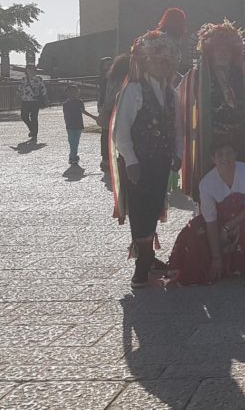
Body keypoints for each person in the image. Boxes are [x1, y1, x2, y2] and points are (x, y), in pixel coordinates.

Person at [110, 23, 182, 288]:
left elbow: (178, 128)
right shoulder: (134, 90)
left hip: (161, 159)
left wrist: (178, 153)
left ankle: (149, 257)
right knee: (140, 209)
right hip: (139, 161)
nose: (162, 65)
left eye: (166, 61)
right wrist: (130, 161)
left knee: (153, 206)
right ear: (145, 61)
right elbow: (121, 131)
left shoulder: (171, 93)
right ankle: (142, 265)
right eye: (157, 60)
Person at [167, 143, 245, 285]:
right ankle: (211, 265)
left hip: (242, 217)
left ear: (235, 154)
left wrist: (228, 227)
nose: (225, 158)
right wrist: (216, 257)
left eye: (229, 153)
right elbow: (210, 220)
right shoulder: (206, 184)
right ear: (213, 159)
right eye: (220, 154)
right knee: (192, 231)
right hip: (216, 221)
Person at [180, 21, 245, 201]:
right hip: (212, 138)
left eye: (226, 50)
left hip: (239, 137)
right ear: (210, 53)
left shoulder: (239, 73)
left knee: (240, 180)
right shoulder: (197, 75)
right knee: (213, 182)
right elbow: (182, 103)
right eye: (218, 50)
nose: (222, 54)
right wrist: (191, 129)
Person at [100, 54, 131, 178]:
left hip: (109, 110)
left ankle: (106, 159)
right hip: (120, 110)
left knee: (106, 135)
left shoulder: (111, 78)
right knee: (122, 135)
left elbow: (107, 96)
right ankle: (119, 158)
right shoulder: (127, 79)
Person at [63, 84, 96, 168]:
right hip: (72, 125)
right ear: (68, 93)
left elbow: (83, 111)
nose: (74, 94)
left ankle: (72, 156)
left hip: (77, 125)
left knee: (75, 141)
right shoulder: (67, 103)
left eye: (75, 92)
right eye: (72, 92)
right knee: (72, 141)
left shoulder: (79, 102)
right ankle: (73, 156)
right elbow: (66, 115)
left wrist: (93, 117)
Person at [17, 64, 48, 142]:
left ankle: (34, 133)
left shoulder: (39, 79)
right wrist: (18, 96)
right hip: (25, 101)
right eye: (29, 69)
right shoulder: (23, 79)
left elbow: (43, 89)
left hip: (35, 101)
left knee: (34, 117)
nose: (31, 71)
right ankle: (32, 129)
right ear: (26, 70)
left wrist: (44, 98)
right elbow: (19, 89)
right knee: (24, 116)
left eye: (33, 69)